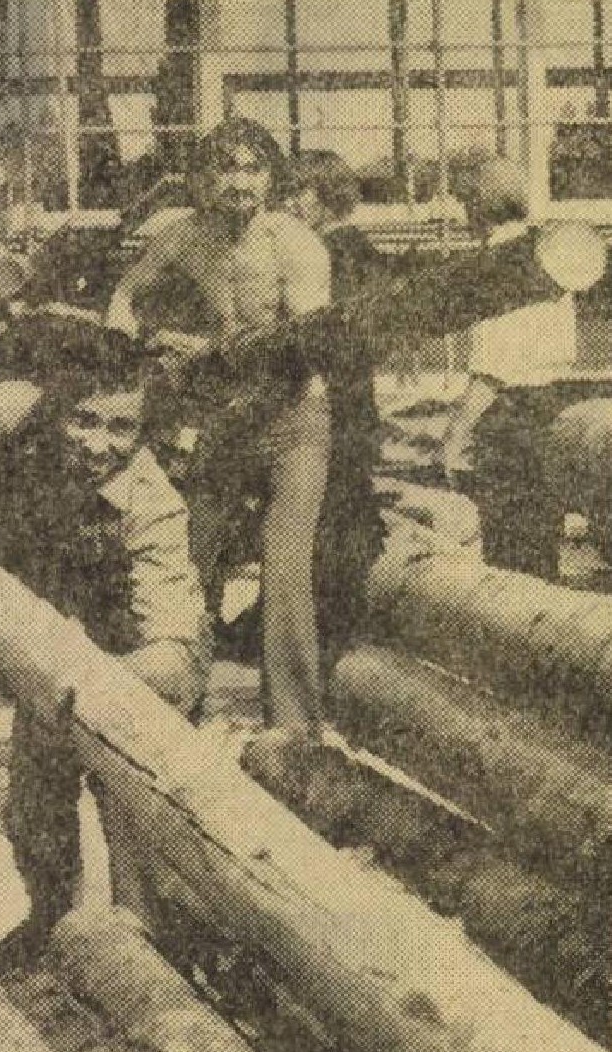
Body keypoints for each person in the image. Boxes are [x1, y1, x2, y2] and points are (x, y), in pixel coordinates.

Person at [0, 312, 209, 950]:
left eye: (121, 428)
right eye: (83, 420)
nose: (98, 444)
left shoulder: (153, 505)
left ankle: (145, 940)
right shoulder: (21, 428)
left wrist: (79, 686)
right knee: (34, 806)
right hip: (56, 637)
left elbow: (172, 651)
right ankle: (53, 926)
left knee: (132, 806)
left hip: (136, 661)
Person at [105, 116, 332, 756]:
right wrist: (122, 348)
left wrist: (199, 350)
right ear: (203, 179)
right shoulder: (184, 237)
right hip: (223, 421)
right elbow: (125, 296)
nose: (239, 182)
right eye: (225, 169)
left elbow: (299, 345)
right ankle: (181, 699)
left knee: (284, 561)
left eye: (252, 169)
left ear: (270, 177)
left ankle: (293, 729)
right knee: (193, 553)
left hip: (292, 418)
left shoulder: (296, 245)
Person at [439, 154, 579, 579]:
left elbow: (492, 369)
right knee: (542, 539)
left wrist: (454, 436)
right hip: (552, 405)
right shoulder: (548, 252)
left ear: (479, 202)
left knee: (507, 551)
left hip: (510, 417)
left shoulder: (498, 264)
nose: (460, 213)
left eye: (462, 201)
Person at [284, 150, 388, 677]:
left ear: (321, 196)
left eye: (296, 193)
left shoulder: (328, 254)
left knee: (330, 522)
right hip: (357, 405)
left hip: (333, 407)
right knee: (348, 513)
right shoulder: (363, 250)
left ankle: (332, 640)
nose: (289, 204)